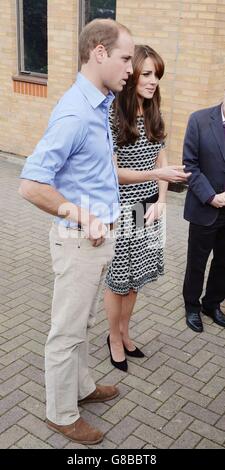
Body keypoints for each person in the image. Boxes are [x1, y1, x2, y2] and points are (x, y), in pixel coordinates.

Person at [19, 18, 135, 445]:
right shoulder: (73, 112)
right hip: (78, 242)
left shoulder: (99, 105)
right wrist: (82, 215)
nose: (130, 68)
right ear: (99, 52)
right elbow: (31, 184)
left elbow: (94, 172)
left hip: (95, 241)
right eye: (125, 58)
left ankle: (82, 388)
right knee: (66, 332)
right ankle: (61, 413)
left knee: (79, 325)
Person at [104, 45, 189, 371]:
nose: (154, 81)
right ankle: (112, 337)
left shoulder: (155, 114)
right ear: (133, 74)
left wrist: (163, 201)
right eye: (148, 74)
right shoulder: (113, 116)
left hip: (151, 209)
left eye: (158, 75)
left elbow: (163, 161)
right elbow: (113, 174)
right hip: (123, 210)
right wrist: (156, 175)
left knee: (136, 278)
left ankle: (125, 332)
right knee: (118, 279)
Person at [183, 94, 225, 333]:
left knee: (223, 263)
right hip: (205, 207)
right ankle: (192, 306)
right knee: (196, 263)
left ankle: (212, 304)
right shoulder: (198, 120)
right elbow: (190, 165)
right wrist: (211, 196)